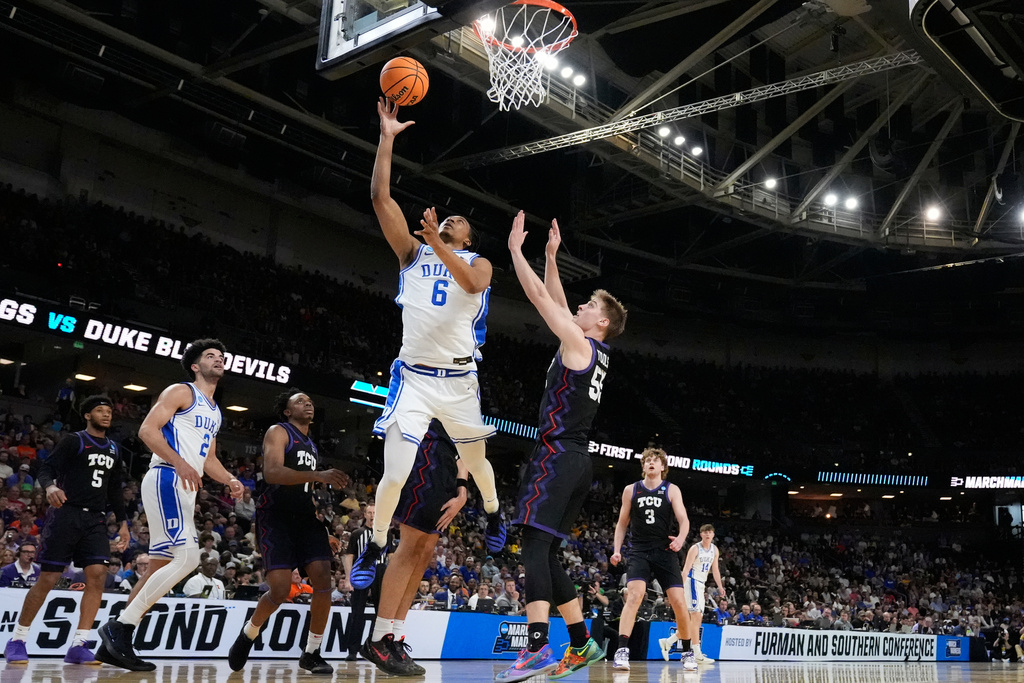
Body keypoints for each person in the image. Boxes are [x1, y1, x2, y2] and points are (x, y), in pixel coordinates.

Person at [350, 98, 506, 592]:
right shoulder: (412, 253)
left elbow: (472, 286)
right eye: (446, 220)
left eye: (458, 221)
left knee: (478, 463)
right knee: (394, 475)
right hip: (414, 377)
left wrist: (442, 248)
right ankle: (375, 545)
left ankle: (496, 514)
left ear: (467, 235)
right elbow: (380, 199)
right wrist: (387, 139)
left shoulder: (479, 261)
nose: (450, 221)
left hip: (460, 380)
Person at [499, 212, 627, 681]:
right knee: (547, 553)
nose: (581, 306)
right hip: (578, 462)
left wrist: (515, 252)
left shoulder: (579, 343)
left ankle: (536, 648)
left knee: (532, 546)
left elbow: (539, 299)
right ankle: (580, 644)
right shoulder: (593, 351)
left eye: (590, 304)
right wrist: (550, 257)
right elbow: (556, 299)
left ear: (603, 321)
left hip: (556, 457)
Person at [98, 339, 244, 671]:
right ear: (195, 366)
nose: (219, 360)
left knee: (161, 567)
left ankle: (116, 644)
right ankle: (119, 627)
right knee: (190, 557)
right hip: (167, 476)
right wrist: (179, 463)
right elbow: (147, 431)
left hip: (184, 483)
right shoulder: (181, 392)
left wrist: (230, 480)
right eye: (211, 356)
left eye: (222, 356)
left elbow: (208, 459)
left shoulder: (215, 411)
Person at [227, 390, 347, 674]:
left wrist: (324, 529)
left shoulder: (311, 445)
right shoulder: (278, 432)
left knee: (323, 581)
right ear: (287, 411)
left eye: (310, 401)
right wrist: (319, 475)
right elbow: (273, 473)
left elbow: (306, 490)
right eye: (301, 401)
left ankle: (312, 652)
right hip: (276, 516)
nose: (308, 403)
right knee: (280, 590)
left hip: (307, 519)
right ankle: (250, 631)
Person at [2, 396, 129, 664]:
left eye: (108, 411)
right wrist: (50, 487)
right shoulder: (75, 440)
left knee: (97, 575)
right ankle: (17, 640)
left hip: (95, 519)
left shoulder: (115, 449)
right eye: (99, 411)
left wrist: (124, 522)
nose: (106, 415)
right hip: (67, 514)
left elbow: (115, 488)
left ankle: (79, 644)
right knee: (48, 578)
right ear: (87, 415)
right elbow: (47, 468)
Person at [361, 420, 468, 676]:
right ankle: (378, 637)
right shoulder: (429, 383)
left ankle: (395, 638)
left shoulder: (469, 387)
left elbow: (470, 441)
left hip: (447, 469)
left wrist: (462, 490)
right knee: (409, 549)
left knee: (423, 554)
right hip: (423, 456)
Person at [610, 448, 693, 671]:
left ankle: (687, 651)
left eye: (655, 461)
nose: (651, 463)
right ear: (643, 466)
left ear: (663, 467)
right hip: (639, 549)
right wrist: (617, 549)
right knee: (634, 595)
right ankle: (622, 650)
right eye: (647, 460)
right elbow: (621, 523)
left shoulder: (671, 489)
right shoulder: (631, 490)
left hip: (664, 550)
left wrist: (681, 540)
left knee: (678, 601)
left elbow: (684, 520)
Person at [342, 503, 392, 661]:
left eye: (374, 512)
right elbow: (349, 555)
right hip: (361, 572)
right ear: (365, 515)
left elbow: (392, 557)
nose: (372, 515)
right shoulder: (357, 533)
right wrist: (349, 577)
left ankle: (377, 649)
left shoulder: (387, 534)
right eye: (369, 512)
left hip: (381, 571)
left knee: (381, 613)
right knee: (357, 612)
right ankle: (352, 650)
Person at [678, 524, 727, 663]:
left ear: (713, 535)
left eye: (710, 532)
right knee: (696, 616)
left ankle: (669, 641)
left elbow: (715, 570)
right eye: (705, 532)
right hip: (692, 581)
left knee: (695, 619)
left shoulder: (714, 550)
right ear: (701, 534)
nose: (707, 534)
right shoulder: (695, 548)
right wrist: (680, 586)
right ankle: (696, 652)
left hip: (701, 584)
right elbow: (686, 568)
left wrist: (719, 586)